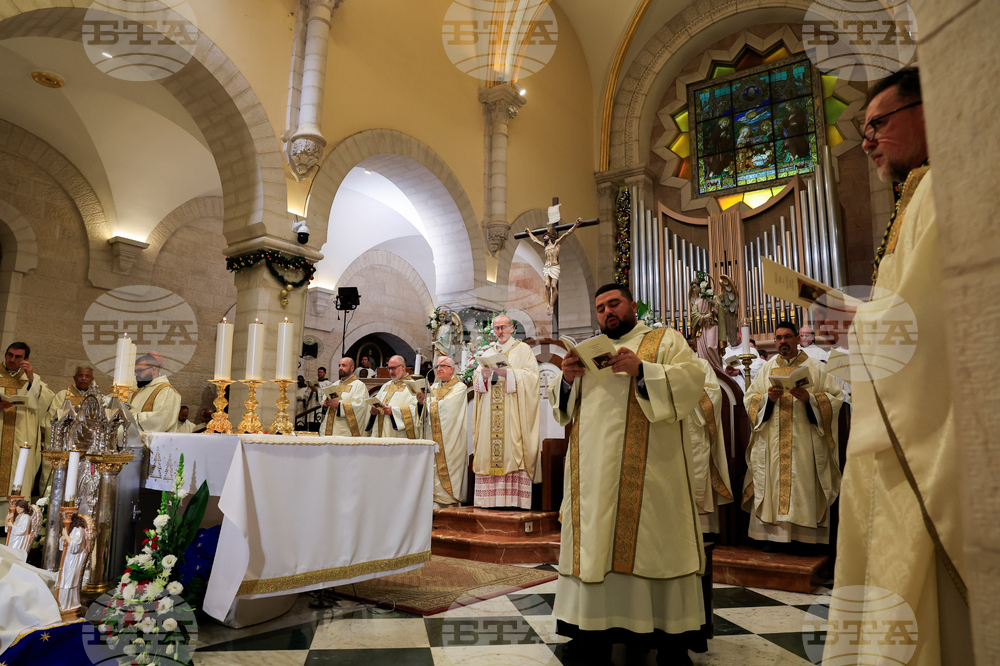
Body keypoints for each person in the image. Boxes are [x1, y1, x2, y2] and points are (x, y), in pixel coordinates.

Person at [827, 67, 972, 665]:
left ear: (927, 108)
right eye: (863, 130)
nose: (867, 142)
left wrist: (854, 323)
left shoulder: (945, 188)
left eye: (877, 124)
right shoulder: (916, 197)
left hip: (931, 431)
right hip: (894, 430)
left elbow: (931, 321)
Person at [549, 283, 708, 665]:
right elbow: (564, 410)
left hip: (651, 475)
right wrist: (568, 378)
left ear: (632, 306)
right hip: (592, 476)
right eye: (600, 307)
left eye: (614, 304)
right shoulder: (589, 352)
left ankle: (670, 640)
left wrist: (643, 371)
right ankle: (591, 635)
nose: (607, 312)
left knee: (656, 547)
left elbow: (692, 382)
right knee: (594, 549)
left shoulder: (663, 339)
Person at [742, 321, 844, 548]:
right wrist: (768, 398)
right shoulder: (766, 369)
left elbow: (835, 398)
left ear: (798, 339)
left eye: (787, 337)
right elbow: (749, 399)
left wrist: (811, 400)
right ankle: (772, 538)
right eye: (778, 338)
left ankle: (805, 539)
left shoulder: (816, 367)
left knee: (803, 486)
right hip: (773, 443)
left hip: (805, 443)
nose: (782, 342)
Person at [470, 314, 540, 509]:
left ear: (511, 329)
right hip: (488, 412)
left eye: (503, 327)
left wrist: (508, 374)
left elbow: (532, 378)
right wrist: (482, 376)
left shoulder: (523, 350)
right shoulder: (487, 352)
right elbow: (478, 383)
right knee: (487, 448)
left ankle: (512, 501)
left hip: (512, 411)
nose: (500, 331)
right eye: (497, 328)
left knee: (513, 446)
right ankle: (487, 501)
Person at [0, 342, 53, 512]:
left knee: (18, 475)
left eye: (18, 357)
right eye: (9, 355)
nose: (12, 360)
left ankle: (11, 517)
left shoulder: (33, 379)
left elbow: (46, 403)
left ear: (26, 359)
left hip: (20, 436)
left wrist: (31, 378)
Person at [686, 358, 733, 535]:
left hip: (694, 426)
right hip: (666, 428)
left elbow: (714, 394)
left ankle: (703, 528)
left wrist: (684, 391)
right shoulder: (657, 365)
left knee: (697, 467)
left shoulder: (699, 364)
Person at [419, 356, 467, 507]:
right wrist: (420, 404)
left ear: (452, 369)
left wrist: (426, 402)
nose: (438, 369)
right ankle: (432, 498)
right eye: (437, 366)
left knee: (450, 465)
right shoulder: (433, 388)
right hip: (432, 435)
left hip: (451, 438)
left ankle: (449, 499)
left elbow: (448, 409)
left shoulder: (459, 388)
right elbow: (425, 411)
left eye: (443, 366)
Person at [525, 204, 581, 314]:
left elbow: (566, 234)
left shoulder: (556, 244)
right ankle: (547, 304)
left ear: (550, 237)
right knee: (547, 285)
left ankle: (551, 305)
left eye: (545, 236)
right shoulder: (545, 246)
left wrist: (576, 225)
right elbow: (535, 240)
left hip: (555, 266)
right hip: (547, 267)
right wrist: (529, 232)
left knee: (554, 286)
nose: (544, 237)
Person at [365, 355, 420, 439]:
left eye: (393, 368)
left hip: (397, 435)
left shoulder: (413, 386)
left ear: (403, 367)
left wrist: (393, 412)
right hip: (381, 432)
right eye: (389, 368)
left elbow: (416, 411)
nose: (390, 372)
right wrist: (373, 412)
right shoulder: (386, 385)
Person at [128, 353, 182, 433]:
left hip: (156, 443)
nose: (136, 374)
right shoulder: (138, 391)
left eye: (139, 371)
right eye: (135, 371)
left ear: (153, 370)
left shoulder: (167, 391)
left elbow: (161, 419)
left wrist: (129, 417)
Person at [319, 357, 369, 437]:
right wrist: (325, 404)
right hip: (330, 428)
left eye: (344, 365)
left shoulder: (359, 385)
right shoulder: (335, 384)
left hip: (344, 431)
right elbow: (324, 400)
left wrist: (339, 406)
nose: (340, 368)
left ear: (352, 368)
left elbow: (360, 407)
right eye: (339, 366)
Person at [56, 513, 89, 611]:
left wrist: (66, 535)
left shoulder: (79, 530)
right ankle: (61, 602)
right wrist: (63, 538)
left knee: (69, 581)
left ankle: (68, 603)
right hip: (68, 558)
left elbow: (75, 546)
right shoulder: (72, 530)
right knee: (63, 579)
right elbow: (63, 546)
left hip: (74, 559)